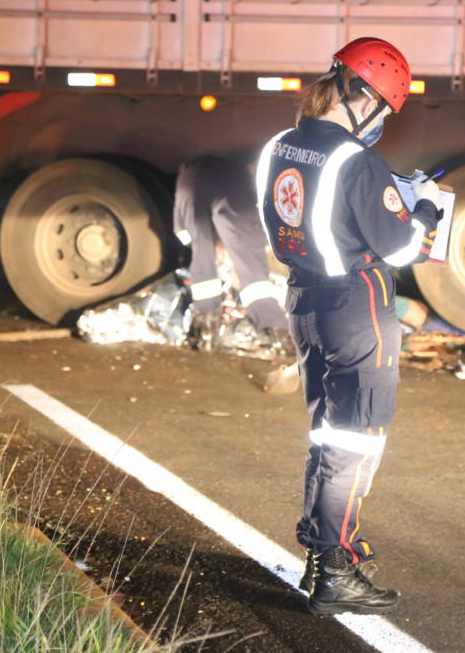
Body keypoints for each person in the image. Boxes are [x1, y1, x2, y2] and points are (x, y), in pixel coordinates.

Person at [256, 37, 443, 615]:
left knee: (328, 431)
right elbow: (403, 244)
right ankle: (336, 568)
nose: (384, 120)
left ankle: (323, 551)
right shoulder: (357, 161)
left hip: (305, 301)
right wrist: (427, 208)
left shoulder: (281, 146)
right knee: (357, 439)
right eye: (385, 109)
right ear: (363, 97)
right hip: (356, 304)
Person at [173, 156, 288, 338]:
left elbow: (183, 232)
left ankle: (206, 324)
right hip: (232, 179)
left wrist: (205, 245)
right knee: (251, 266)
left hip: (190, 179)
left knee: (201, 257)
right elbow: (248, 235)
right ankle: (274, 328)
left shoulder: (185, 183)